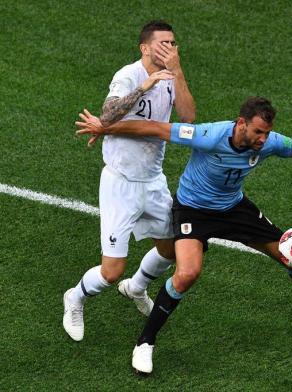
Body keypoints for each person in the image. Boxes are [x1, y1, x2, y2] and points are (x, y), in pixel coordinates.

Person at [75, 97, 292, 374]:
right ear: (241, 123)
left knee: (288, 254)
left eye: (267, 133)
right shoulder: (208, 135)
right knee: (187, 273)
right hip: (193, 211)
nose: (263, 139)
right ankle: (145, 342)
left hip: (234, 208)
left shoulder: (268, 142)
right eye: (258, 132)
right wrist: (105, 127)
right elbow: (154, 128)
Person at [63, 20, 196, 342]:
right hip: (120, 184)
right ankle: (75, 298)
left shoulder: (170, 77)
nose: (170, 49)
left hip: (153, 181)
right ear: (145, 47)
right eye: (163, 44)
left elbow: (189, 117)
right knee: (111, 271)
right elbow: (106, 118)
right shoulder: (128, 75)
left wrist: (176, 73)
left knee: (169, 249)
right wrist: (145, 86)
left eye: (173, 44)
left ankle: (136, 288)